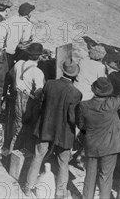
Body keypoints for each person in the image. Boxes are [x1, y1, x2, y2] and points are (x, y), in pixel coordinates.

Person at [77, 74, 120, 199]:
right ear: (108, 92)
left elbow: (81, 126)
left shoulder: (83, 105)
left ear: (93, 90)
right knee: (105, 177)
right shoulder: (112, 104)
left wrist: (88, 136)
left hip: (91, 145)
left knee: (90, 175)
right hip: (110, 146)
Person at [24, 58, 82, 199]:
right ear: (75, 75)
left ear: (63, 71)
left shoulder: (49, 84)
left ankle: (28, 187)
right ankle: (60, 193)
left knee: (37, 157)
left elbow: (41, 104)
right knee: (63, 164)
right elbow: (72, 117)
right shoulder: (75, 93)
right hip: (64, 133)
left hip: (45, 128)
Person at [5, 42, 45, 155]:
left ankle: (12, 148)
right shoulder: (38, 72)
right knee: (26, 127)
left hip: (17, 96)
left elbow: (10, 74)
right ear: (39, 56)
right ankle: (15, 152)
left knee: (17, 124)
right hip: (28, 100)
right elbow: (38, 93)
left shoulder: (19, 64)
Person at [0, 2, 35, 69]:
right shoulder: (27, 24)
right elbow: (24, 42)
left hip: (3, 51)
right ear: (28, 13)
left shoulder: (10, 19)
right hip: (14, 53)